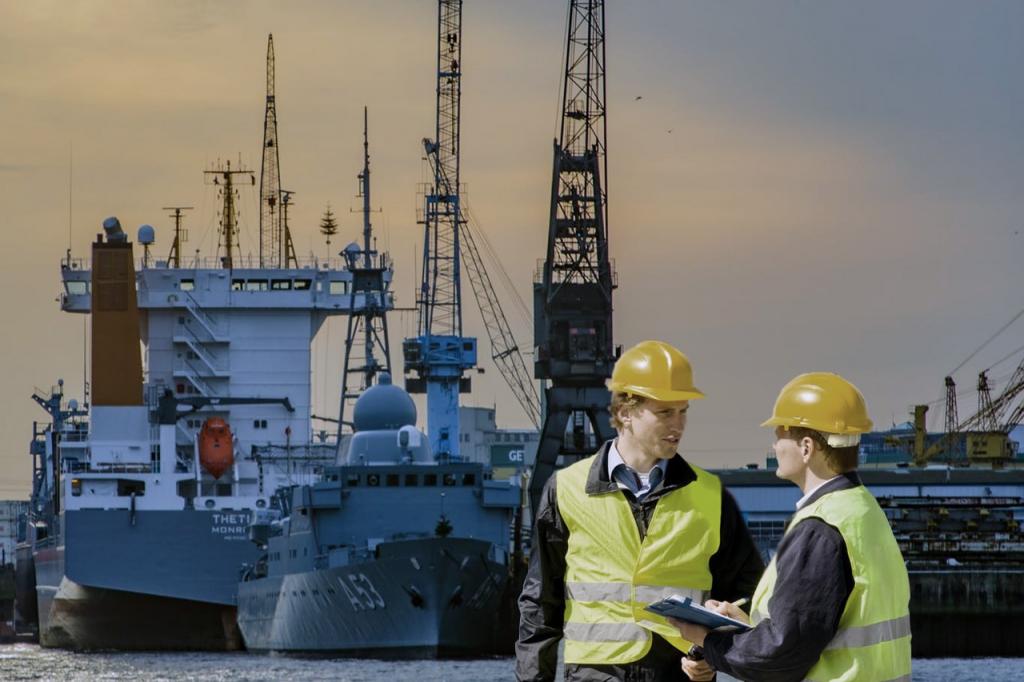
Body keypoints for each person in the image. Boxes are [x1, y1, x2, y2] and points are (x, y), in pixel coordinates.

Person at [516, 340, 764, 681]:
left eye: (683, 411)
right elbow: (540, 604)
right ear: (625, 413)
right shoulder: (566, 490)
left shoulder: (710, 496)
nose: (678, 424)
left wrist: (712, 650)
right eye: (665, 412)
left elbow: (747, 593)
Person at [671, 372, 912, 682]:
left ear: (807, 447)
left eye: (779, 435)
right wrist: (748, 627)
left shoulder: (820, 529)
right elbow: (813, 631)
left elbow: (782, 654)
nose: (775, 446)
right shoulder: (863, 511)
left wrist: (707, 639)